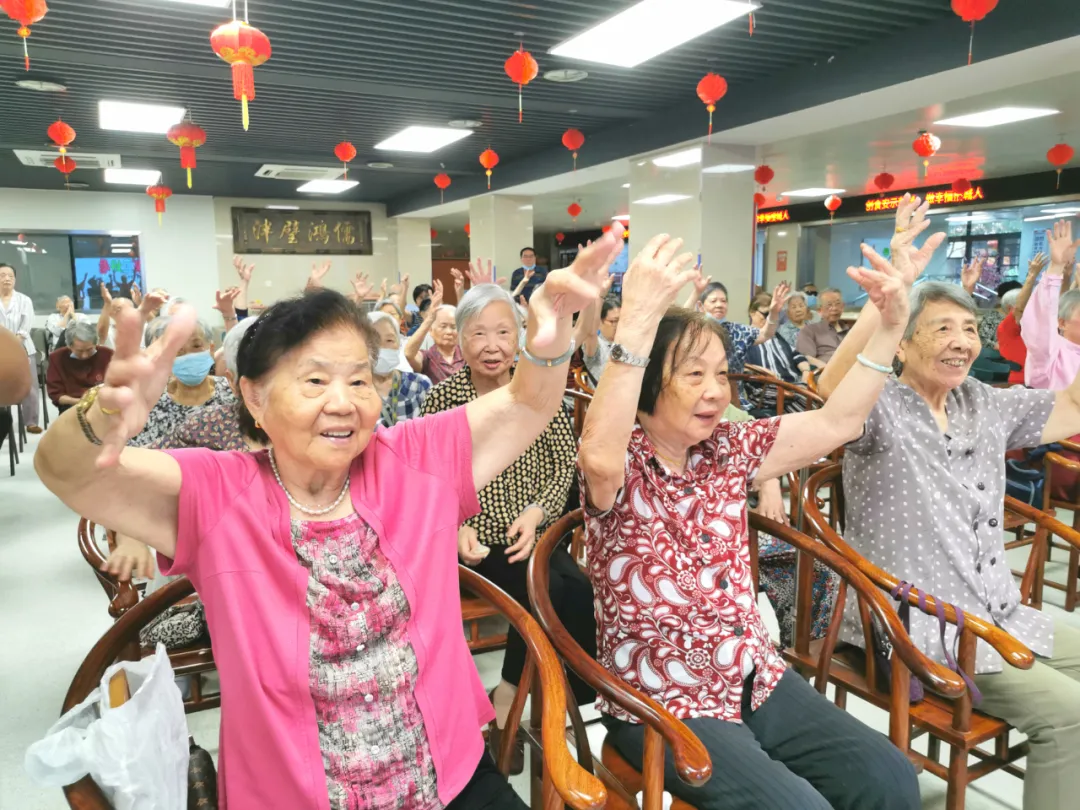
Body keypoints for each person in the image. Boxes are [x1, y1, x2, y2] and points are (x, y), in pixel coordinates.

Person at [34, 230, 622, 809]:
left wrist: (548, 336)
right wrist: (96, 419)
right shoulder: (219, 491)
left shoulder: (413, 460)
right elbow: (72, 475)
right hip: (294, 792)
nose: (343, 401)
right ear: (255, 398)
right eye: (315, 380)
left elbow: (526, 404)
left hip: (446, 773)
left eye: (360, 379)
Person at [577, 231, 919, 810]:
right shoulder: (622, 459)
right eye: (693, 375)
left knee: (889, 777)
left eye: (721, 375)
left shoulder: (728, 448)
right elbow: (597, 455)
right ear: (647, 382)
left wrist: (889, 327)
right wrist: (635, 322)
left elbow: (838, 422)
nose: (715, 392)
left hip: (753, 673)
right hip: (662, 699)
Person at [821, 199, 1080, 810]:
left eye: (969, 329)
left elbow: (1070, 408)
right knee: (1069, 717)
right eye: (942, 329)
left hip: (997, 611)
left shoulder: (983, 403)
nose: (962, 343)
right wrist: (891, 294)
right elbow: (831, 392)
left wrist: (1060, 282)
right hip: (923, 626)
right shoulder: (878, 407)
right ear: (902, 346)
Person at [420, 282, 595, 773]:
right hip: (470, 540)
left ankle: (516, 701)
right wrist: (455, 522)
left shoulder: (539, 393)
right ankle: (526, 712)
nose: (492, 345)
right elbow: (427, 475)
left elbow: (564, 464)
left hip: (531, 530)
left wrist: (539, 510)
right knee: (542, 592)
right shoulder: (443, 400)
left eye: (503, 331)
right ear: (460, 338)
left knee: (575, 591)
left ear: (520, 337)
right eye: (479, 333)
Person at [127, 316, 235, 448]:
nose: (188, 355)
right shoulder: (151, 403)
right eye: (178, 350)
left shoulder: (232, 392)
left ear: (211, 349)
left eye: (196, 346)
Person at [744, 292, 811, 416]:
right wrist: (766, 374)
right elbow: (741, 367)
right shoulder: (745, 337)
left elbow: (797, 355)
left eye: (774, 314)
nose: (771, 318)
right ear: (752, 312)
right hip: (764, 388)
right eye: (766, 314)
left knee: (808, 400)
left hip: (791, 385)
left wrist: (806, 372)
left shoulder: (777, 336)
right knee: (807, 405)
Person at [368, 311, 431, 426]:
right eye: (374, 341)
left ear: (399, 344)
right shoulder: (354, 390)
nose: (382, 347)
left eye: (389, 340)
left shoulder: (419, 385)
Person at [0, 263, 41, 434]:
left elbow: (26, 326)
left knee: (29, 386)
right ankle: (2, 421)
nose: (6, 279)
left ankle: (31, 421)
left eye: (10, 275)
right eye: (2, 275)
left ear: (15, 279)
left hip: (23, 347)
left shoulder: (24, 300)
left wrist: (13, 344)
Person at [997, 253, 1049, 386]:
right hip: (1019, 384)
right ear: (1010, 309)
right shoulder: (1006, 328)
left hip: (1043, 381)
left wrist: (1066, 276)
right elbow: (1020, 308)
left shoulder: (1035, 325)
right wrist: (1032, 276)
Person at [406, 277, 467, 385]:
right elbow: (408, 354)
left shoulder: (466, 354)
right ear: (431, 331)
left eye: (453, 327)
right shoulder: (427, 357)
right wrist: (429, 319)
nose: (449, 331)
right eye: (443, 326)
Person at [46, 321, 114, 414]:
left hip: (104, 404)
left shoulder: (108, 355)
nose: (85, 355)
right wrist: (83, 402)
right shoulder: (57, 358)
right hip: (72, 406)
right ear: (69, 346)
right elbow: (56, 395)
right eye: (79, 351)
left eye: (89, 349)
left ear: (95, 343)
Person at [796, 288, 849, 366]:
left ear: (842, 307)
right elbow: (806, 357)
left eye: (838, 304)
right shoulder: (809, 331)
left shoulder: (852, 331)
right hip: (826, 372)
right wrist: (825, 368)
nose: (834, 308)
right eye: (829, 305)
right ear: (820, 310)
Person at [581, 295, 621, 383]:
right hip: (600, 395)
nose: (618, 326)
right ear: (599, 322)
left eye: (621, 321)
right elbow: (590, 331)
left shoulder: (624, 344)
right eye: (613, 321)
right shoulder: (596, 345)